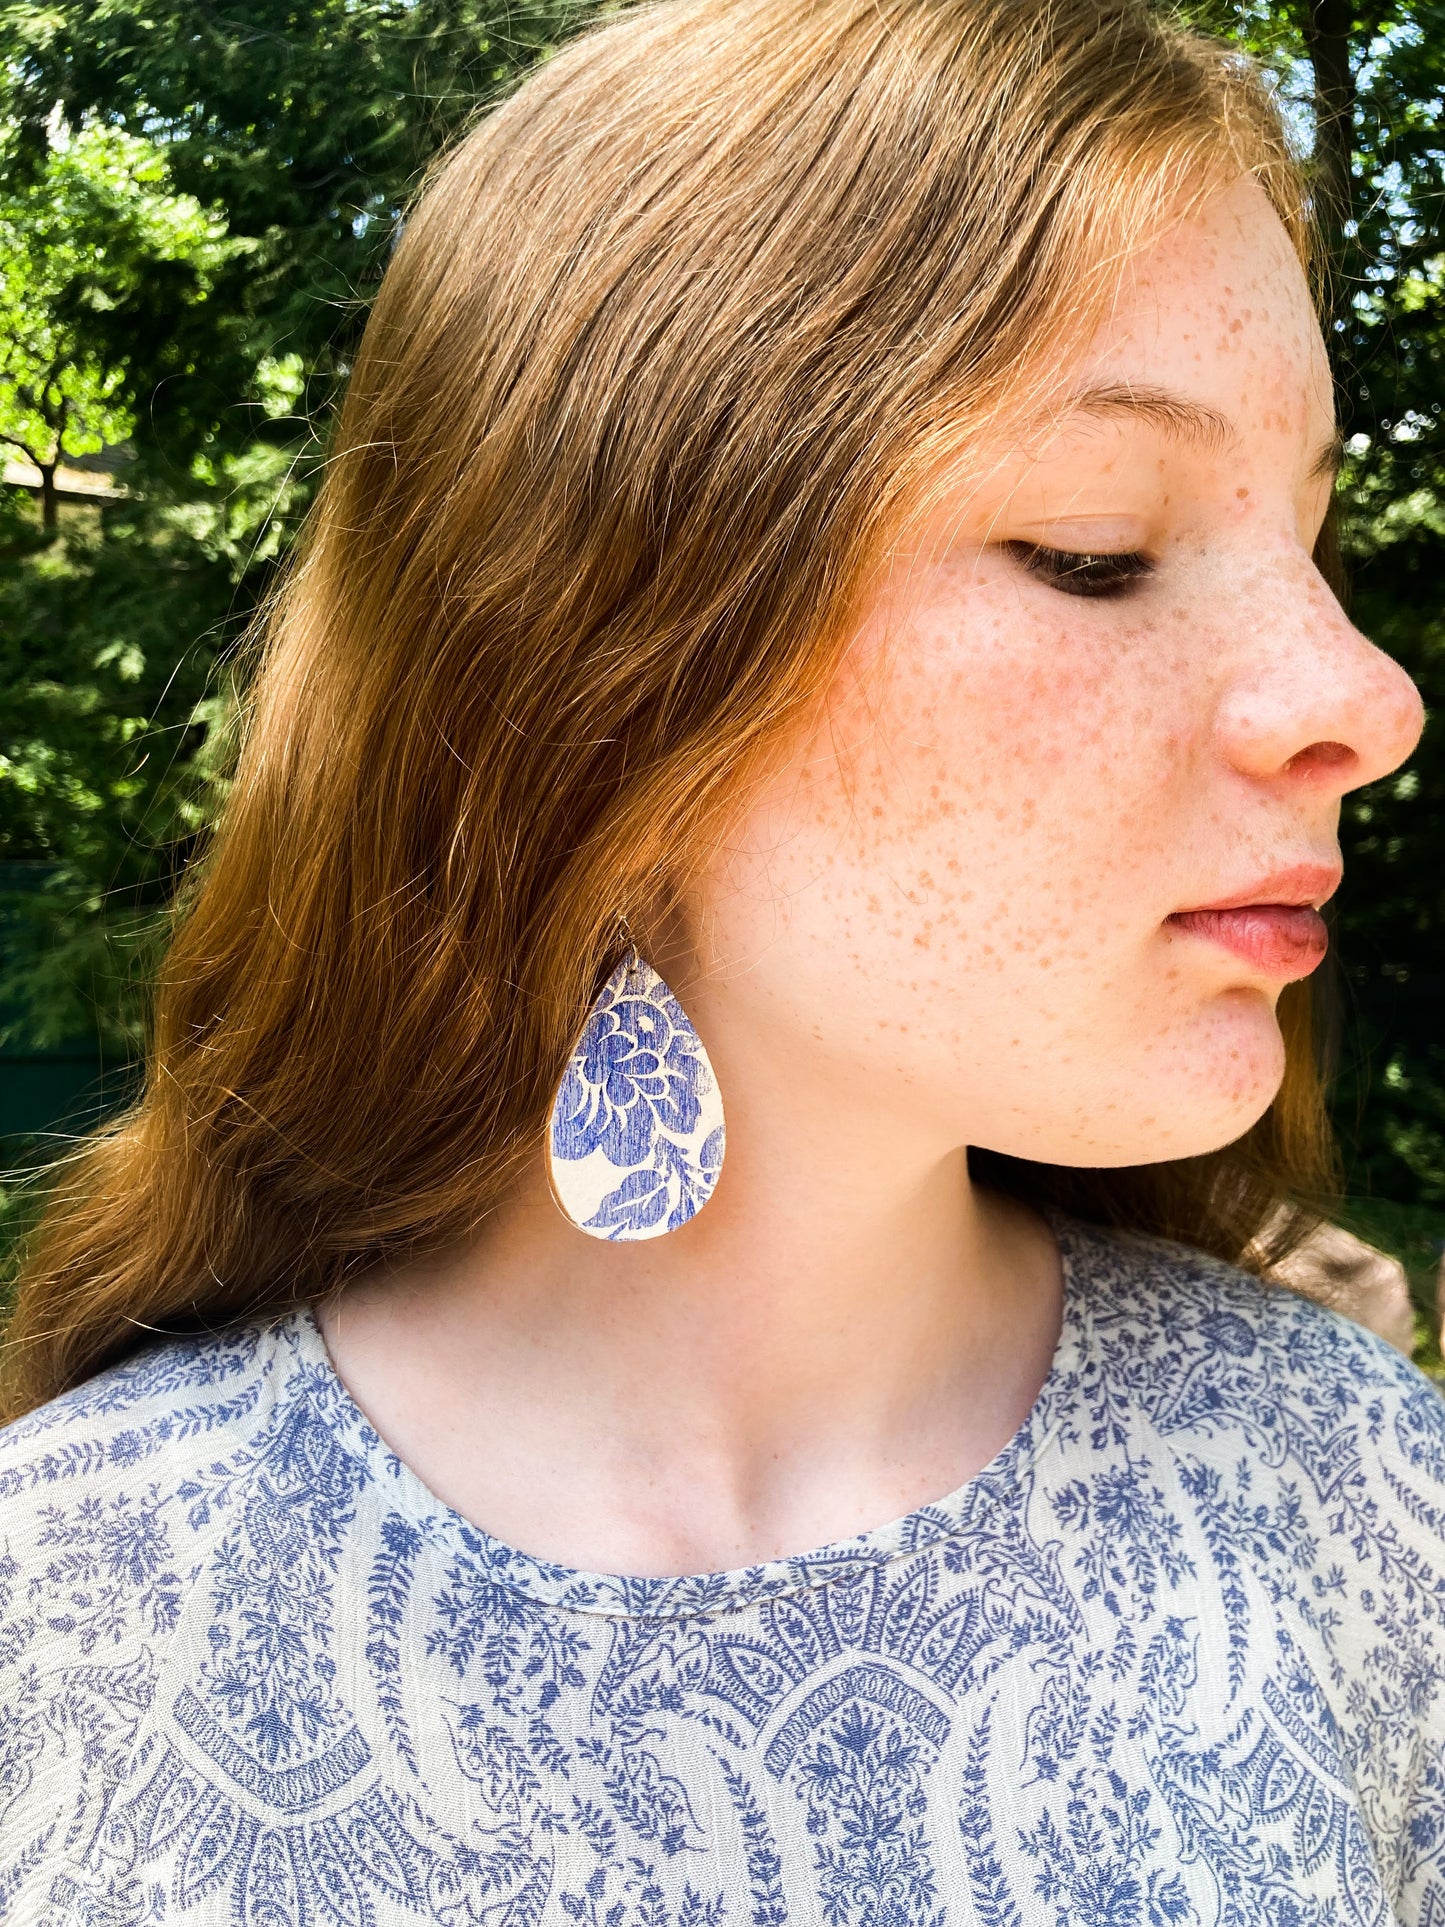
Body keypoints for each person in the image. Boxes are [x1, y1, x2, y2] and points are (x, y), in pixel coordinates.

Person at [0, 0, 1440, 1918]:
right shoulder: (75, 1611)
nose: (1361, 692)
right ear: (596, 679)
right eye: (1096, 548)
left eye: (1311, 532)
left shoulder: (1351, 1496)